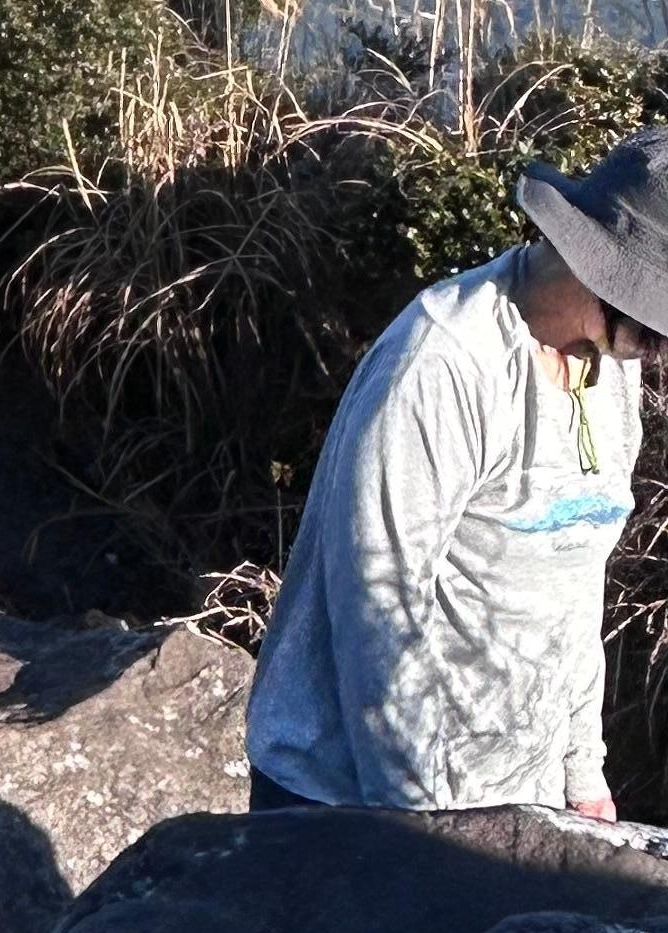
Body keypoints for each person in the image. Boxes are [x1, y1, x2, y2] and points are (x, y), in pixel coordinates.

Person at [244, 129, 668, 819]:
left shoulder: (610, 366)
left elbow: (574, 580)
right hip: (351, 802)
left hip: (513, 797)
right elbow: (380, 606)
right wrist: (422, 831)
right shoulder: (443, 361)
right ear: (600, 265)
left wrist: (580, 771)